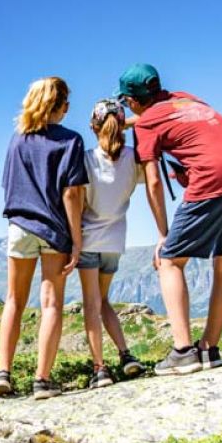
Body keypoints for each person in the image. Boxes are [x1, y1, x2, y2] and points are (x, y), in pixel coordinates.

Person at [118, 63, 222, 376]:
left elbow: (154, 182)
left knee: (171, 260)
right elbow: (161, 117)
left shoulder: (146, 127)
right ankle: (209, 349)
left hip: (215, 175)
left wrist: (163, 235)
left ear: (132, 99)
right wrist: (126, 122)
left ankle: (183, 351)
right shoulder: (187, 98)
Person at [0, 76, 87, 400]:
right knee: (51, 302)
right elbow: (72, 194)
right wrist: (76, 238)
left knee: (14, 300)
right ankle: (42, 381)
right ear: (62, 107)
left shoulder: (17, 140)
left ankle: (4, 373)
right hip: (54, 229)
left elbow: (7, 184)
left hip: (20, 226)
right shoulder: (71, 141)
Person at [78, 98, 147, 389]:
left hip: (88, 240)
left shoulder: (86, 159)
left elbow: (77, 201)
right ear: (122, 126)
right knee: (104, 301)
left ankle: (100, 369)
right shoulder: (133, 158)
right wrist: (127, 124)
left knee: (91, 305)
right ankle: (125, 354)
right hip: (115, 242)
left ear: (93, 127)